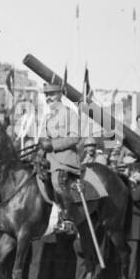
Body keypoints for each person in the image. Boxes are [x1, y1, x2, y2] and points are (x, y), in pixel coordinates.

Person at [39, 78, 84, 230]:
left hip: (66, 160)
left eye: (51, 94)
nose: (48, 98)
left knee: (58, 182)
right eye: (46, 95)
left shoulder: (70, 114)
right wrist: (40, 147)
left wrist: (52, 145)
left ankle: (67, 218)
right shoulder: (47, 117)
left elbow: (74, 137)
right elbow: (43, 139)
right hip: (48, 160)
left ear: (60, 95)